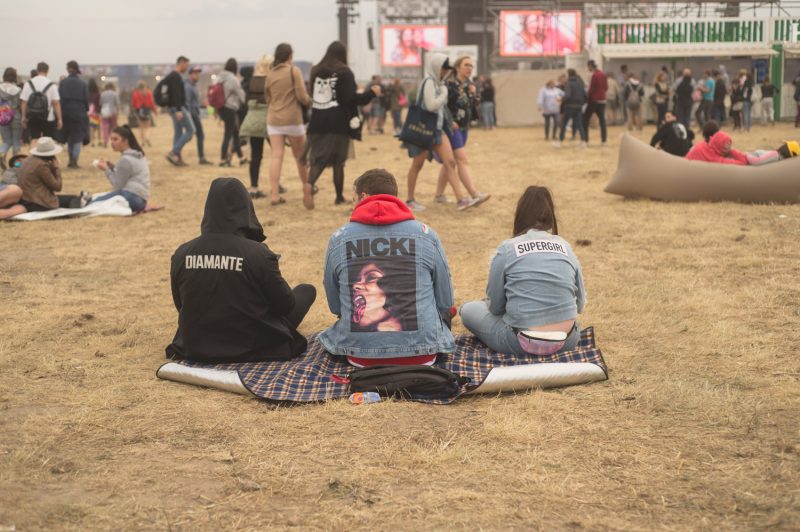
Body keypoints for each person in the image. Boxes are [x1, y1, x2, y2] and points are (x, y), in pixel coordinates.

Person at [166, 177, 316, 363]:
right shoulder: (258, 254)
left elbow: (181, 305)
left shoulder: (182, 253)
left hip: (196, 344)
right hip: (253, 345)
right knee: (306, 290)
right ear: (246, 208)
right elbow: (285, 305)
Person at [319, 168, 455, 367]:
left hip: (360, 356)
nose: (352, 205)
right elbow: (446, 302)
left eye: (353, 199)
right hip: (423, 354)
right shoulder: (426, 235)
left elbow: (335, 306)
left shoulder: (339, 238)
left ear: (363, 197)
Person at [460, 186, 585, 355]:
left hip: (518, 342)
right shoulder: (566, 247)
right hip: (567, 340)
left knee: (467, 309)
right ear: (551, 218)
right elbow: (580, 305)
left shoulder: (507, 248)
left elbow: (495, 307)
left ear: (520, 215)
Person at [304, 41, 379, 208]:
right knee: (338, 161)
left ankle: (319, 188)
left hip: (317, 122)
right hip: (338, 123)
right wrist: (371, 93)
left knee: (319, 159)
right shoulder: (344, 72)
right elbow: (350, 98)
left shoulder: (316, 71)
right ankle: (327, 192)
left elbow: (312, 95)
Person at [404, 53, 479, 211]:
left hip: (437, 130)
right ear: (436, 67)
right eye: (443, 68)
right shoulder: (430, 82)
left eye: (446, 69)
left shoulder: (439, 84)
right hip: (424, 130)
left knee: (450, 162)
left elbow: (442, 109)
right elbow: (431, 105)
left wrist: (449, 122)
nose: (445, 72)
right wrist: (444, 93)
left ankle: (461, 200)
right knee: (417, 165)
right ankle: (410, 200)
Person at [432, 56, 491, 207]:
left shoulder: (470, 85)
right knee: (462, 160)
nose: (469, 68)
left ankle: (439, 195)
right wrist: (450, 121)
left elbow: (474, 105)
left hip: (464, 127)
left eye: (471, 65)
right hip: (451, 128)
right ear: (458, 67)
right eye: (466, 65)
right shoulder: (448, 85)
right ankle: (474, 193)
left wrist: (475, 94)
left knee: (448, 163)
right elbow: (441, 106)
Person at [265, 43, 313, 206]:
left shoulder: (270, 73)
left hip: (273, 119)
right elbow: (301, 96)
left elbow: (268, 97)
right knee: (300, 156)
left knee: (276, 156)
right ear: (290, 56)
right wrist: (310, 102)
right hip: (292, 119)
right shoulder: (294, 71)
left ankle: (274, 195)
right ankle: (307, 188)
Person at [0, 137, 81, 219]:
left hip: (26, 199)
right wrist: (56, 168)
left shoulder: (29, 160)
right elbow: (57, 187)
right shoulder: (41, 165)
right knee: (73, 198)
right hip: (38, 202)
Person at [89, 125, 149, 212]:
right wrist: (113, 168)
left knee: (94, 203)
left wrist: (106, 169)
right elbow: (127, 174)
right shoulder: (137, 154)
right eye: (111, 139)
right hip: (141, 200)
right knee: (97, 199)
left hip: (132, 198)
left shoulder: (126, 160)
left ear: (125, 140)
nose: (112, 143)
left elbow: (117, 185)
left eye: (116, 139)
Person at [239, 55, 272, 198]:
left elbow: (246, 100)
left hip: (253, 121)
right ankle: (276, 185)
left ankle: (253, 187)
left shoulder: (250, 81)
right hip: (269, 119)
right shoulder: (271, 80)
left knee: (256, 156)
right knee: (277, 155)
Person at [163, 56, 195, 167]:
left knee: (178, 132)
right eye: (186, 65)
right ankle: (174, 152)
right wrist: (178, 110)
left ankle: (176, 158)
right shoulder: (176, 76)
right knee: (191, 130)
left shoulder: (173, 76)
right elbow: (176, 94)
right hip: (177, 108)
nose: (187, 67)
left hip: (173, 108)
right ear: (181, 63)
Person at [57, 61, 89, 169]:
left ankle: (71, 160)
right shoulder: (82, 83)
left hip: (65, 113)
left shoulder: (63, 82)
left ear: (68, 69)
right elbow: (86, 100)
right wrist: (85, 110)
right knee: (78, 137)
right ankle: (74, 160)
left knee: (69, 137)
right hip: (79, 113)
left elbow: (59, 98)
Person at [216, 58, 246, 167]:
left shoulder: (219, 78)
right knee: (228, 135)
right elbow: (241, 95)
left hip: (221, 108)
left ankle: (241, 157)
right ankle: (223, 159)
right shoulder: (233, 79)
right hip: (230, 108)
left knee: (235, 134)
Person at [20, 62, 62, 141]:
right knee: (47, 141)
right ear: (47, 71)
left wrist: (23, 117)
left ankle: (33, 149)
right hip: (48, 117)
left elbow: (24, 102)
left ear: (37, 70)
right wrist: (59, 119)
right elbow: (56, 103)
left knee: (34, 139)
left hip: (32, 116)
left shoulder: (28, 83)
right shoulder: (52, 85)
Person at [182, 67, 211, 165]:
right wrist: (190, 114)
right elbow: (187, 102)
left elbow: (194, 102)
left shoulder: (193, 86)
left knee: (198, 135)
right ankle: (201, 157)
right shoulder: (188, 86)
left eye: (198, 73)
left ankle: (201, 157)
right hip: (192, 114)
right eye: (195, 73)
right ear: (190, 74)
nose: (198, 75)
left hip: (195, 112)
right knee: (197, 134)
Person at [556, 69, 586, 147]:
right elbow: (584, 94)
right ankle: (583, 141)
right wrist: (582, 103)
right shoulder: (580, 83)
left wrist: (561, 99)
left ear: (569, 75)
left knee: (564, 124)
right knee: (580, 124)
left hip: (569, 106)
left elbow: (568, 95)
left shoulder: (569, 83)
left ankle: (560, 142)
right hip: (579, 106)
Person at [0, 68, 23, 170]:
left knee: (6, 141)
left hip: (3, 116)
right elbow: (20, 105)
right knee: (16, 142)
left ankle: (2, 153)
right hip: (16, 116)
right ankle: (16, 166)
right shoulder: (18, 90)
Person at [584, 60, 608, 145]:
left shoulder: (594, 75)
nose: (588, 68)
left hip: (594, 100)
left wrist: (587, 97)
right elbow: (606, 87)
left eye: (588, 66)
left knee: (585, 119)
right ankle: (604, 140)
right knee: (602, 120)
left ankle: (585, 139)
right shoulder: (603, 74)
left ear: (590, 65)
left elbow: (592, 88)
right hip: (602, 100)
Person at [131, 80, 157, 148]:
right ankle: (147, 138)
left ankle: (142, 141)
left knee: (141, 127)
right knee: (148, 126)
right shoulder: (149, 93)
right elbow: (151, 103)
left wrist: (134, 109)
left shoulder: (135, 93)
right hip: (147, 109)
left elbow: (133, 103)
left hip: (138, 110)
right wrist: (155, 111)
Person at [99, 82, 119, 148]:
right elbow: (117, 103)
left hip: (104, 112)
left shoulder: (102, 94)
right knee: (114, 128)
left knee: (105, 127)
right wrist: (118, 112)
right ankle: (115, 142)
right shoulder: (115, 93)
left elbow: (100, 103)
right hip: (113, 112)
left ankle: (105, 141)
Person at [87, 78, 101, 146]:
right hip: (96, 111)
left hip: (89, 111)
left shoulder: (87, 92)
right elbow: (99, 102)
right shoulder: (97, 93)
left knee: (91, 127)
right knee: (98, 126)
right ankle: (99, 140)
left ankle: (92, 141)